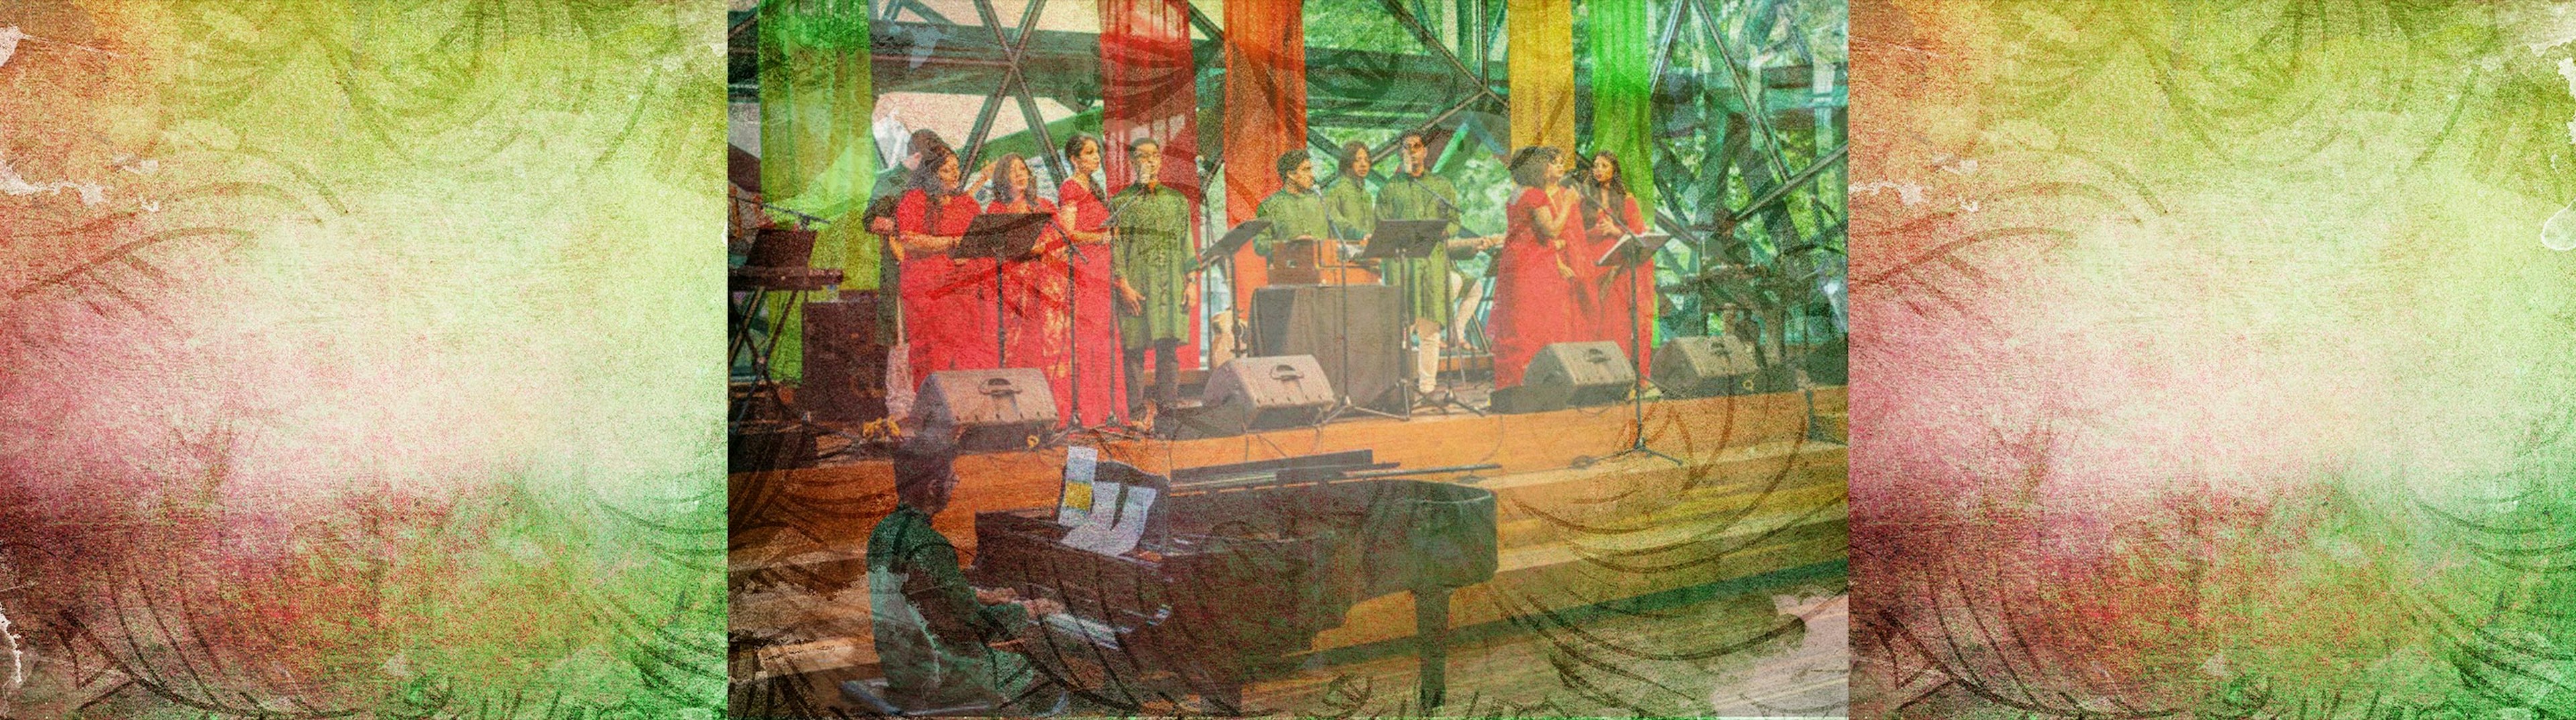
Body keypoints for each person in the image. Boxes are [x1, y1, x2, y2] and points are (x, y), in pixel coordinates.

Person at [867, 438, 1065, 709]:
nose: (955, 483)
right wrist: (1027, 610)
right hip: (936, 675)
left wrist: (979, 595)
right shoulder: (930, 544)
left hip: (899, 665)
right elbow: (971, 627)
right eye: (952, 479)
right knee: (1048, 682)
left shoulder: (885, 530)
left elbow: (919, 594)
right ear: (933, 488)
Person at [1375, 130, 1502, 395]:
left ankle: (1427, 387)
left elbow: (1454, 222)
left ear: (1425, 152)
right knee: (1399, 331)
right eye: (1407, 148)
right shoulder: (1389, 189)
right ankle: (1395, 388)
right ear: (1401, 153)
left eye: (1417, 147)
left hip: (1433, 267)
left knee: (1430, 330)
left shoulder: (1441, 186)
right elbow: (1381, 226)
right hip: (1402, 268)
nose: (1412, 152)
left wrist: (1444, 231)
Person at [894, 142, 998, 381]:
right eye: (947, 169)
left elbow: (980, 240)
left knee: (968, 351)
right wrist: (951, 243)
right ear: (931, 173)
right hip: (928, 289)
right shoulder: (914, 200)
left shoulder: (967, 203)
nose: (956, 174)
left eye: (957, 168)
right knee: (934, 354)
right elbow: (909, 241)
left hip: (964, 290)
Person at [1110, 138, 1196, 421]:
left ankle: (1168, 411)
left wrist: (1191, 282)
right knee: (1133, 349)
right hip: (1136, 283)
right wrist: (1123, 285)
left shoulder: (1177, 200)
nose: (1150, 161)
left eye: (1155, 156)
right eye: (1143, 157)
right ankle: (1135, 413)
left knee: (1168, 347)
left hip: (1170, 284)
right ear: (1133, 163)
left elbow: (1187, 243)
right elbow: (1116, 248)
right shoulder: (1122, 202)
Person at [1489, 146, 1580, 388]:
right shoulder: (1535, 196)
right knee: (1535, 322)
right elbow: (1551, 230)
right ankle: (1536, 383)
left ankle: (1515, 381)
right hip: (1534, 266)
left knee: (1518, 323)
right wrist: (1569, 203)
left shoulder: (1515, 194)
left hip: (1516, 264)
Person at [1055, 134, 1124, 428]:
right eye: (1089, 153)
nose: (1097, 158)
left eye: (1097, 152)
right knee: (1089, 339)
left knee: (1103, 338)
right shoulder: (1070, 188)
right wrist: (1100, 237)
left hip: (1101, 267)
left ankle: (1108, 408)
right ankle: (1089, 410)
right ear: (1074, 159)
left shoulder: (1093, 187)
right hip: (1086, 270)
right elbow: (1067, 233)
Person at [986, 154, 1066, 384]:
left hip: (1045, 286)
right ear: (1002, 177)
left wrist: (1045, 249)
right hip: (1014, 288)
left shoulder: (1044, 205)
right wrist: (1030, 250)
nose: (1021, 174)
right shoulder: (996, 209)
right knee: (1017, 343)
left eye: (1023, 169)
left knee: (1047, 342)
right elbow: (998, 248)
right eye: (1013, 171)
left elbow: (1060, 242)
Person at [1577, 150, 1654, 370]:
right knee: (1599, 321)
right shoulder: (1586, 200)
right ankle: (1601, 372)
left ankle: (1628, 374)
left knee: (1620, 322)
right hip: (1594, 265)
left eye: (1604, 166)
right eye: (1596, 166)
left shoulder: (1626, 200)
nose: (1598, 170)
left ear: (1614, 170)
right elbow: (1576, 233)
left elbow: (1638, 234)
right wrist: (1594, 232)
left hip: (1619, 267)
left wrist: (1614, 230)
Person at [1251, 150, 1334, 268]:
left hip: (1325, 274)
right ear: (1291, 174)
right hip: (1287, 276)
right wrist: (1290, 245)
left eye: (1311, 169)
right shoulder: (1268, 206)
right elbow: (1260, 245)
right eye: (1306, 170)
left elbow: (1338, 234)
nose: (1312, 175)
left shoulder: (1321, 202)